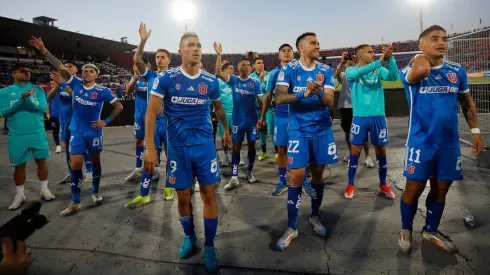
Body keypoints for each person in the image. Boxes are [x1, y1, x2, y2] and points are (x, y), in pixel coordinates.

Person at [144, 30, 231, 273]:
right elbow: (151, 112)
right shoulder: (167, 78)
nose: (196, 48)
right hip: (178, 148)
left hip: (204, 147)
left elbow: (219, 108)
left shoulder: (210, 81)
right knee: (183, 196)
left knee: (209, 195)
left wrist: (226, 131)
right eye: (191, 45)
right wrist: (150, 148)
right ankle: (189, 236)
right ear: (180, 52)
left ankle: (211, 246)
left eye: (199, 45)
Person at [398, 25, 482, 253]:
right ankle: (406, 229)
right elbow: (422, 70)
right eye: (434, 39)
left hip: (449, 145)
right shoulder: (409, 69)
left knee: (441, 190)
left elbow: (466, 102)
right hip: (420, 143)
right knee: (413, 190)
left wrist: (475, 132)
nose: (441, 42)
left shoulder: (457, 70)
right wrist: (419, 56)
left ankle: (430, 230)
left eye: (444, 39)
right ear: (420, 44)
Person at [29, 37, 124, 216]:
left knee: (95, 162)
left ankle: (95, 191)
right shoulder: (76, 84)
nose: (87, 72)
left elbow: (119, 106)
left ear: (96, 75)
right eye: (85, 70)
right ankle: (75, 201)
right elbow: (60, 67)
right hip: (77, 131)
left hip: (94, 132)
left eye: (91, 71)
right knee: (75, 164)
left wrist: (106, 121)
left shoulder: (102, 91)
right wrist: (44, 49)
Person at [274, 32, 337, 250]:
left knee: (318, 173)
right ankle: (292, 227)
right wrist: (304, 94)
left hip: (321, 131)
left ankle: (315, 216)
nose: (318, 45)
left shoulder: (326, 70)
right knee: (297, 177)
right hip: (298, 131)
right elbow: (279, 98)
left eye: (318, 42)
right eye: (313, 43)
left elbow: (330, 101)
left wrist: (318, 93)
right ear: (301, 47)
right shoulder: (288, 69)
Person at [124, 24, 175, 208]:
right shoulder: (150, 75)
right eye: (157, 57)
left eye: (163, 57)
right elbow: (137, 60)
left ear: (169, 60)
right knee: (149, 157)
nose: (159, 59)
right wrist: (143, 40)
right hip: (152, 124)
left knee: (171, 157)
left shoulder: (175, 77)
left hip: (169, 124)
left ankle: (169, 187)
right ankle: (143, 194)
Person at [344, 43, 399, 199]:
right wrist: (380, 61)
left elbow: (394, 77)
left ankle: (383, 184)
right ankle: (350, 184)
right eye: (370, 52)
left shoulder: (378, 69)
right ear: (360, 56)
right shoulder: (351, 70)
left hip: (378, 117)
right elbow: (357, 74)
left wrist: (391, 60)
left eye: (374, 52)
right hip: (360, 117)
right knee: (355, 152)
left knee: (381, 152)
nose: (373, 54)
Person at [0, 63, 56, 210]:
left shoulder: (37, 90)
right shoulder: (5, 92)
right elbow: (3, 112)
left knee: (42, 164)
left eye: (28, 71)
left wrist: (28, 100)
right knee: (19, 167)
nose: (26, 72)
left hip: (37, 132)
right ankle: (20, 195)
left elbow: (43, 109)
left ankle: (44, 189)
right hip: (17, 135)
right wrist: (20, 101)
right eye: (22, 70)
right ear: (13, 74)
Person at [214, 43, 264, 191]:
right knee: (235, 148)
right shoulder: (234, 80)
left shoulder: (255, 83)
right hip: (237, 121)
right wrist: (219, 55)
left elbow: (261, 101)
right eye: (244, 65)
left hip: (252, 121)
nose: (247, 67)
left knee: (252, 148)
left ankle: (249, 171)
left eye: (248, 65)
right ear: (238, 68)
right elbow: (218, 73)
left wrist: (263, 118)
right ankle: (234, 177)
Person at [258, 43, 300, 196]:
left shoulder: (299, 70)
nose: (287, 53)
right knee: (281, 149)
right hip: (281, 116)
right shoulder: (274, 74)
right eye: (284, 51)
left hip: (298, 116)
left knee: (301, 148)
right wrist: (262, 117)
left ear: (293, 54)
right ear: (279, 55)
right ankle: (283, 181)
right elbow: (268, 96)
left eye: (289, 50)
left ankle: (303, 181)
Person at [46, 61, 93, 185]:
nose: (66, 68)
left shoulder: (81, 83)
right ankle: (72, 172)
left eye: (69, 67)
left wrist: (63, 84)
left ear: (76, 69)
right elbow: (49, 97)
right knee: (68, 147)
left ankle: (89, 172)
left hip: (78, 120)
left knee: (84, 146)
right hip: (64, 120)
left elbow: (79, 97)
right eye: (65, 67)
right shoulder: (59, 84)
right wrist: (56, 87)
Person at [335, 51, 375, 168]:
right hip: (346, 106)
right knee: (348, 131)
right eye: (347, 59)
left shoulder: (359, 72)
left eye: (351, 59)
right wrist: (342, 62)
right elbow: (337, 74)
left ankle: (367, 156)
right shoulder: (344, 74)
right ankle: (351, 151)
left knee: (363, 132)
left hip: (359, 106)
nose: (349, 60)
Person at [124, 59, 152, 184]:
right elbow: (128, 92)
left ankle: (153, 169)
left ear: (148, 66)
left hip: (152, 115)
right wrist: (135, 79)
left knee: (152, 142)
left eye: (140, 65)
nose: (137, 68)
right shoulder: (135, 78)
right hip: (139, 115)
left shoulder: (153, 77)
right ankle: (138, 168)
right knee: (139, 140)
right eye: (135, 66)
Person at [250, 57, 273, 161]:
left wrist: (263, 79)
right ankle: (264, 152)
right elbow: (251, 90)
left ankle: (277, 152)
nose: (261, 64)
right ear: (254, 65)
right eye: (258, 63)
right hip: (256, 108)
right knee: (261, 131)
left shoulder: (269, 75)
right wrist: (260, 80)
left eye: (262, 63)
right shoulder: (250, 77)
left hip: (268, 107)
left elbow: (271, 90)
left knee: (272, 129)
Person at [217, 63, 235, 167]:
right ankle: (226, 155)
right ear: (224, 71)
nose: (233, 70)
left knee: (236, 136)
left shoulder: (235, 81)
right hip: (223, 114)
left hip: (235, 113)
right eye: (230, 68)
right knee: (224, 136)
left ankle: (237, 155)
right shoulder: (218, 82)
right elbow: (216, 100)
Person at [46, 81, 62, 154]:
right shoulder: (49, 93)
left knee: (67, 130)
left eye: (54, 83)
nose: (52, 85)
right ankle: (58, 146)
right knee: (55, 131)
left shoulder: (62, 92)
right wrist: (48, 114)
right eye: (51, 83)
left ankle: (69, 144)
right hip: (54, 116)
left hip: (63, 115)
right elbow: (47, 105)